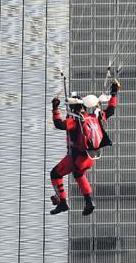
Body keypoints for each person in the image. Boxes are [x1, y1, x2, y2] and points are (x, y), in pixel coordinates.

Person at [49, 80, 120, 216]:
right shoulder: (95, 116)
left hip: (77, 157)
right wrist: (114, 92)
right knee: (79, 174)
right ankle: (89, 202)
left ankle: (63, 202)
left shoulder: (74, 120)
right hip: (91, 156)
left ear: (71, 107)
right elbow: (110, 111)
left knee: (55, 174)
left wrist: (55, 108)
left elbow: (58, 124)